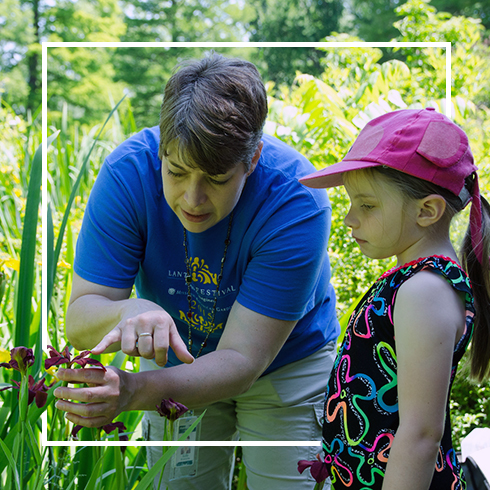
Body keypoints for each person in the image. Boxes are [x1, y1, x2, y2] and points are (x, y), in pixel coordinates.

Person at [53, 53, 340, 489]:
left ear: (253, 157)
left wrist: (131, 390)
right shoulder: (128, 174)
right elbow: (80, 319)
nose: (193, 198)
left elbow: (243, 360)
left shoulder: (296, 199)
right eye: (177, 171)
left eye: (217, 179)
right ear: (161, 149)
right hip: (179, 360)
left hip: (285, 362)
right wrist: (128, 310)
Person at [300, 107, 490, 489]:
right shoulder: (416, 282)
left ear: (427, 211)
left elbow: (420, 435)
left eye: (367, 205)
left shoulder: (426, 291)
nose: (350, 218)